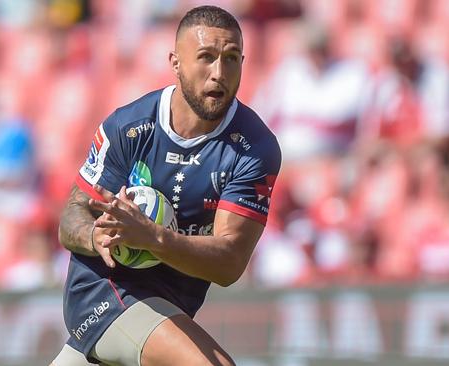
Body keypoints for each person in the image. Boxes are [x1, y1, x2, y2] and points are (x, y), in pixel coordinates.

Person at [52, 5, 281, 366]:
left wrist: (154, 238)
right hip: (103, 292)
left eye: (232, 58)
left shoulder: (253, 149)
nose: (219, 73)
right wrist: (95, 237)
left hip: (168, 308)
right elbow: (71, 216)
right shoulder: (128, 127)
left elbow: (229, 264)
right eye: (205, 57)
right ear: (175, 63)